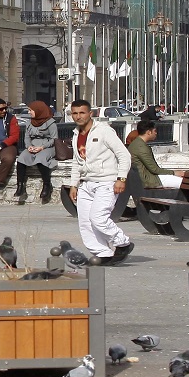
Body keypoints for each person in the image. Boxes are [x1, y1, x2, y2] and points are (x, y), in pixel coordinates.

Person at [65, 100, 134, 264]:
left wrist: (121, 179)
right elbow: (77, 161)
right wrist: (74, 184)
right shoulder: (76, 135)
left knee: (98, 218)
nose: (78, 116)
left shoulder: (104, 131)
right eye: (75, 113)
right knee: (85, 222)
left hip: (106, 181)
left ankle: (122, 243)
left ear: (90, 114)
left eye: (82, 113)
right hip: (86, 183)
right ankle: (102, 253)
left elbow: (124, 155)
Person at [14, 100, 58, 204]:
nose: (29, 112)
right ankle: (20, 185)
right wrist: (29, 147)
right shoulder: (29, 122)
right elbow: (27, 137)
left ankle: (46, 185)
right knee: (22, 158)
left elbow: (54, 139)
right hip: (33, 145)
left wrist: (42, 147)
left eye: (31, 110)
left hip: (47, 146)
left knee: (41, 159)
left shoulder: (50, 123)